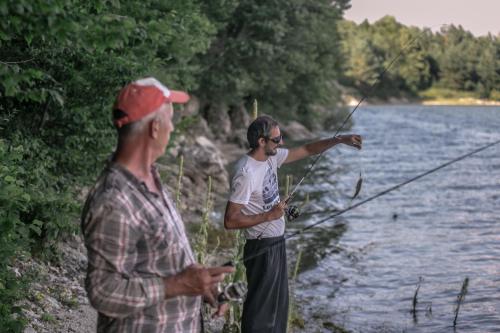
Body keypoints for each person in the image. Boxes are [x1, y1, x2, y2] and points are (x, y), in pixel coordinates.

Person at [81, 77, 234, 332]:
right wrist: (178, 284)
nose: (172, 128)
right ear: (154, 127)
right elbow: (103, 291)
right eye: (170, 120)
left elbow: (157, 258)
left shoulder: (150, 178)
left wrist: (200, 284)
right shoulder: (113, 200)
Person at [224, 115, 362, 333]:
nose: (282, 143)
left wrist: (339, 140)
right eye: (277, 139)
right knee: (260, 309)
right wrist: (269, 216)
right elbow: (230, 220)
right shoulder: (246, 173)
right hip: (261, 247)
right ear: (261, 141)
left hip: (276, 243)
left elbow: (308, 150)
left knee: (278, 307)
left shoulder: (270, 157)